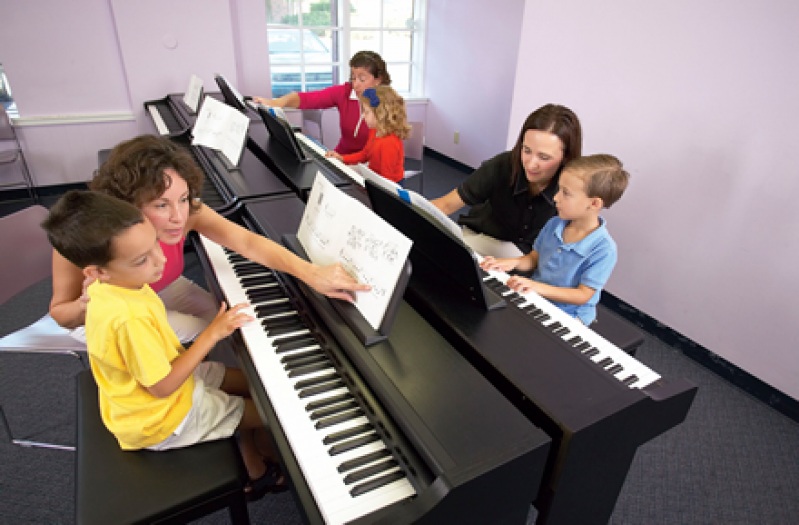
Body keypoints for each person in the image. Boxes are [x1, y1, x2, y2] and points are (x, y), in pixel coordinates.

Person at [42, 191, 283, 500]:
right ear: (96, 272)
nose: (161, 259)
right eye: (142, 259)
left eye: (155, 242)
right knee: (273, 412)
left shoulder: (107, 285)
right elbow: (162, 387)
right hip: (161, 417)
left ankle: (250, 450)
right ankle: (260, 466)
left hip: (158, 379)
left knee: (252, 382)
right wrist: (211, 333)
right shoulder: (128, 318)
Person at [49, 135, 370, 344]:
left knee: (239, 323)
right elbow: (61, 314)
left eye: (184, 198)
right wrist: (85, 304)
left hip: (163, 290)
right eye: (161, 204)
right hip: (116, 314)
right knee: (209, 333)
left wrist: (310, 272)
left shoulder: (187, 213)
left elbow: (247, 242)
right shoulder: (90, 234)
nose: (179, 216)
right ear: (129, 204)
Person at [480, 154, 630, 325]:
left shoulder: (604, 249)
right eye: (559, 189)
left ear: (594, 204)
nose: (555, 197)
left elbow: (582, 295)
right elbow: (534, 259)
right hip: (537, 297)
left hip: (569, 315)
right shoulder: (554, 224)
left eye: (566, 193)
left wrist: (536, 287)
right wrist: (511, 263)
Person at [431, 104, 582, 258]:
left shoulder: (576, 188)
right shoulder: (501, 166)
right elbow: (446, 204)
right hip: (485, 238)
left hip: (530, 258)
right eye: (526, 150)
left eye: (544, 157)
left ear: (566, 158)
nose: (530, 164)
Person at [253, 50, 391, 155]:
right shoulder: (344, 92)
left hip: (373, 164)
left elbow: (386, 151)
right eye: (353, 78)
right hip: (343, 158)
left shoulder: (390, 103)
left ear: (378, 80)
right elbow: (310, 98)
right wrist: (279, 102)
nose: (355, 85)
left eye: (362, 79)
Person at [324, 86, 410, 184]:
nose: (363, 115)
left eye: (366, 112)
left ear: (381, 114)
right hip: (374, 175)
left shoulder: (389, 143)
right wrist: (342, 158)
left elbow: (387, 181)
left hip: (389, 184)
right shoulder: (374, 130)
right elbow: (365, 154)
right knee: (344, 172)